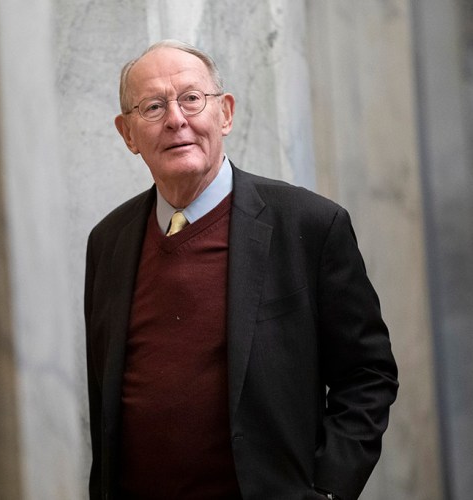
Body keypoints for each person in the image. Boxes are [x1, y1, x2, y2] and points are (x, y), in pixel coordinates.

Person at [83, 40, 399, 500]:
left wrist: (328, 489)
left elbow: (368, 375)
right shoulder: (107, 242)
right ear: (128, 134)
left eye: (191, 98)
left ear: (225, 113)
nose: (176, 119)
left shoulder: (309, 224)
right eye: (153, 106)